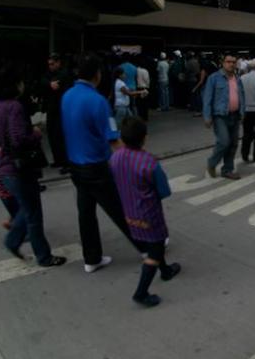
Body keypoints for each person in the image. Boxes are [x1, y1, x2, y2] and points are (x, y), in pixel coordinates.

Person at [62, 52, 139, 273]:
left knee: (86, 213)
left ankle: (92, 258)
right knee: (120, 209)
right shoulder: (98, 101)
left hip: (75, 167)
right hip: (96, 166)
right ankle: (147, 247)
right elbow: (113, 139)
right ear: (97, 74)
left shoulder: (67, 96)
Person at [0, 66, 66, 267]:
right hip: (20, 168)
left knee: (27, 210)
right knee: (33, 214)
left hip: (6, 165)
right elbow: (18, 138)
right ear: (15, 85)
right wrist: (35, 133)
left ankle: (14, 240)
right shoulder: (15, 106)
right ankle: (43, 256)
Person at [109, 117, 181, 307]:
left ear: (122, 138)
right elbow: (165, 192)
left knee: (152, 245)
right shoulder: (149, 163)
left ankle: (165, 271)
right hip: (149, 215)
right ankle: (141, 293)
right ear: (145, 138)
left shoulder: (115, 157)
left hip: (129, 213)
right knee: (155, 250)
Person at [203, 53, 245, 180]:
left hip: (235, 115)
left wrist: (243, 112)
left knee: (233, 144)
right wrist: (207, 116)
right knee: (224, 141)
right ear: (223, 63)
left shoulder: (238, 78)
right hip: (220, 116)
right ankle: (212, 163)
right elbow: (207, 98)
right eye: (228, 61)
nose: (231, 64)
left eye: (233, 62)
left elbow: (242, 96)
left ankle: (227, 170)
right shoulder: (214, 78)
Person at [41, 53, 72, 173]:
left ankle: (66, 162)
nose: (50, 66)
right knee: (52, 135)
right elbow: (43, 81)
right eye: (49, 64)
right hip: (52, 109)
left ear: (58, 63)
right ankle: (58, 159)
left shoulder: (64, 74)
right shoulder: (49, 75)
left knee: (61, 136)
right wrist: (49, 84)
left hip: (61, 110)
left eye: (53, 64)